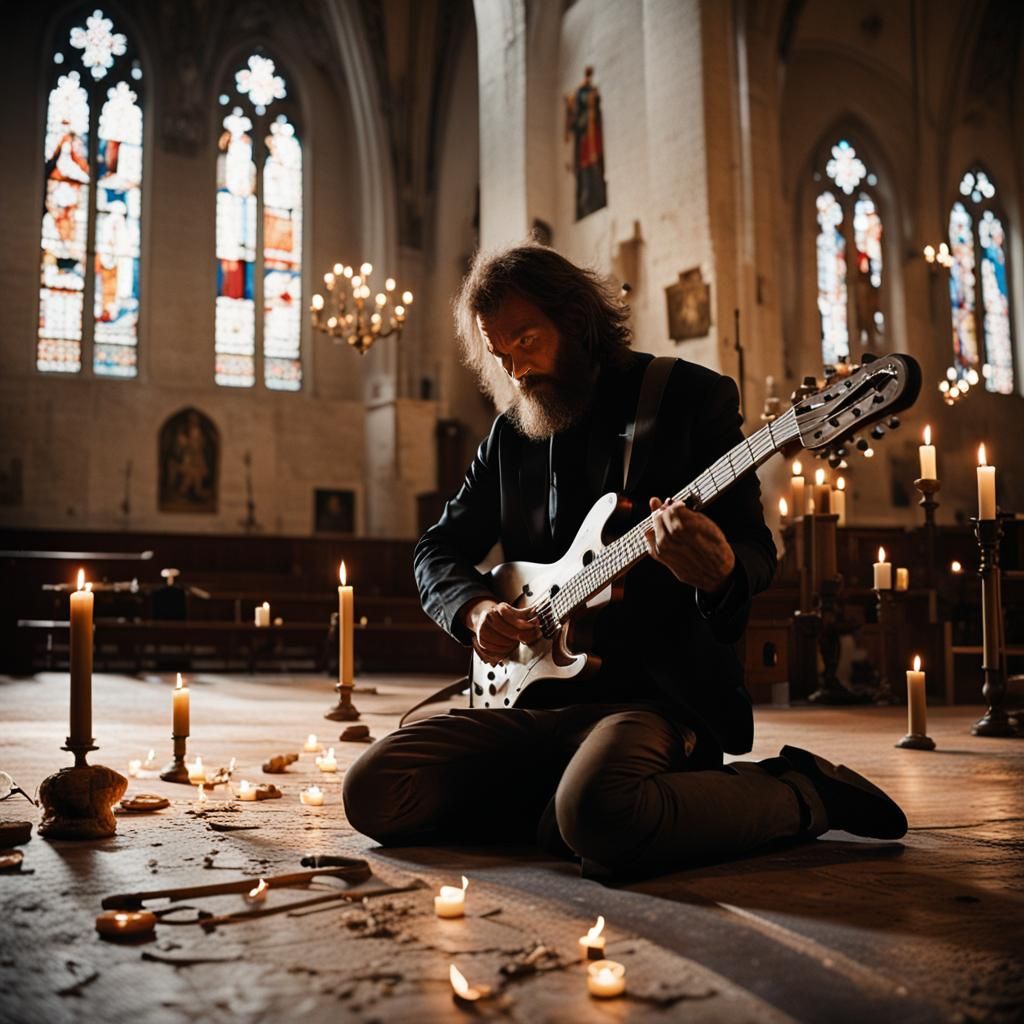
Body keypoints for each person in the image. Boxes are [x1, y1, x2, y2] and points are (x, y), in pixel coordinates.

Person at [343, 243, 907, 879]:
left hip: (654, 701)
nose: (515, 368)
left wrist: (718, 571)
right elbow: (436, 549)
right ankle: (566, 812)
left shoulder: (689, 398)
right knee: (373, 788)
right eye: (500, 354)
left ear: (578, 320)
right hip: (534, 704)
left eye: (526, 341)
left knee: (597, 815)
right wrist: (474, 611)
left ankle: (803, 792)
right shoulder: (510, 436)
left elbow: (755, 551)